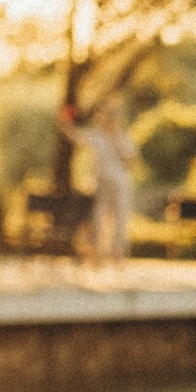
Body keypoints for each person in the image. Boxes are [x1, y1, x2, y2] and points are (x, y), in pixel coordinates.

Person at [74, 96, 138, 266]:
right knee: (98, 219)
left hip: (120, 184)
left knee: (120, 220)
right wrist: (64, 121)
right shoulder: (97, 136)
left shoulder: (123, 137)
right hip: (102, 184)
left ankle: (118, 256)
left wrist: (117, 142)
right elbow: (76, 136)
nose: (110, 121)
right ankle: (98, 255)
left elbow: (132, 160)